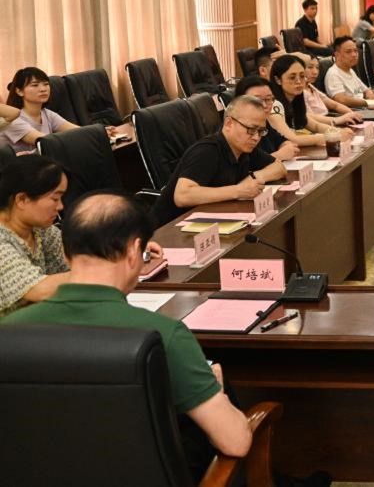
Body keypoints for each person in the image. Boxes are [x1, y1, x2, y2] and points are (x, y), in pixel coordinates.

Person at [2, 193, 254, 474]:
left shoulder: (9, 331)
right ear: (135, 251)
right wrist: (216, 390)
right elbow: (236, 442)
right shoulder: (164, 334)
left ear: (64, 252)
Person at [148, 95, 287, 229]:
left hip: (209, 222)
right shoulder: (207, 151)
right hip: (169, 231)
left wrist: (255, 177)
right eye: (251, 129)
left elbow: (279, 167)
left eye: (261, 131)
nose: (256, 137)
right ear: (229, 123)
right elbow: (182, 196)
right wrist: (239, 190)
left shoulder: (244, 147)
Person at [0, 156, 71, 317]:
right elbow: (39, 290)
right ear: (22, 199)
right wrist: (101, 270)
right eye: (55, 198)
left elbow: (75, 261)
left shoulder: (41, 229)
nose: (61, 206)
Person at [267, 55, 352, 150]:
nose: (299, 81)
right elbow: (292, 139)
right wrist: (330, 137)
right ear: (278, 80)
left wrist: (338, 131)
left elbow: (315, 126)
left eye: (302, 76)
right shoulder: (273, 105)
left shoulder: (294, 101)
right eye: (292, 77)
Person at [3, 67, 78, 151]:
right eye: (35, 85)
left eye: (46, 84)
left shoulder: (47, 114)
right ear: (19, 91)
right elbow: (46, 142)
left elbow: (79, 132)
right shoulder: (13, 120)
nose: (43, 89)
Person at [233, 76, 299, 162]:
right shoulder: (237, 128)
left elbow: (284, 142)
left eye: (268, 99)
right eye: (257, 100)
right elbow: (245, 164)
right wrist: (279, 155)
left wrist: (286, 148)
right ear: (240, 102)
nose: (264, 105)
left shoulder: (264, 122)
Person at [300, 54, 360, 127]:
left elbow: (335, 105)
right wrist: (337, 120)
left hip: (328, 120)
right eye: (310, 67)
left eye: (317, 68)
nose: (315, 72)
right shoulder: (300, 92)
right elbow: (310, 118)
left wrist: (352, 114)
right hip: (320, 125)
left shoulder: (310, 87)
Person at [325, 36, 374, 108]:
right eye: (348, 52)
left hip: (364, 107)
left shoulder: (350, 70)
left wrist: (370, 94)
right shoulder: (333, 74)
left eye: (355, 51)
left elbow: (366, 89)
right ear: (337, 55)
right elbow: (341, 100)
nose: (354, 55)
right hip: (354, 111)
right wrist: (368, 102)